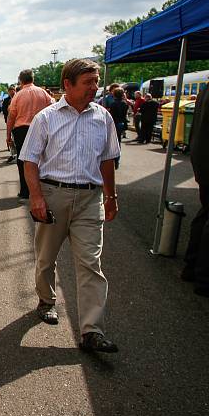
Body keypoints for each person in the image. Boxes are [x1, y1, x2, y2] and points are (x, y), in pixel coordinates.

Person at [19, 58, 120, 353]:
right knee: (46, 257)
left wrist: (111, 196)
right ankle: (46, 300)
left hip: (90, 199)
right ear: (68, 84)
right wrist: (36, 197)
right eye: (88, 82)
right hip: (54, 195)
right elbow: (30, 160)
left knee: (91, 262)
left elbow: (107, 160)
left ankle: (91, 330)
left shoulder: (103, 117)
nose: (95, 87)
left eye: (96, 81)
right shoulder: (46, 118)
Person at [7, 69, 50, 200]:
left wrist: (8, 136)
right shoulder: (43, 93)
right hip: (41, 128)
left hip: (21, 131)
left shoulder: (18, 96)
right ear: (33, 78)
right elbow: (52, 110)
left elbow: (11, 117)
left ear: (20, 80)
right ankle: (41, 190)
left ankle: (25, 192)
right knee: (42, 159)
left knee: (23, 161)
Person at [183, 88, 209, 295]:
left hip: (202, 160)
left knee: (204, 214)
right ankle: (204, 276)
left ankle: (192, 266)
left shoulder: (204, 90)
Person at [107, 88, 128, 167]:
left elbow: (112, 115)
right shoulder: (124, 104)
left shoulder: (113, 104)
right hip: (121, 123)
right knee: (118, 141)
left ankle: (113, 159)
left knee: (112, 142)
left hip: (114, 123)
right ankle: (117, 161)